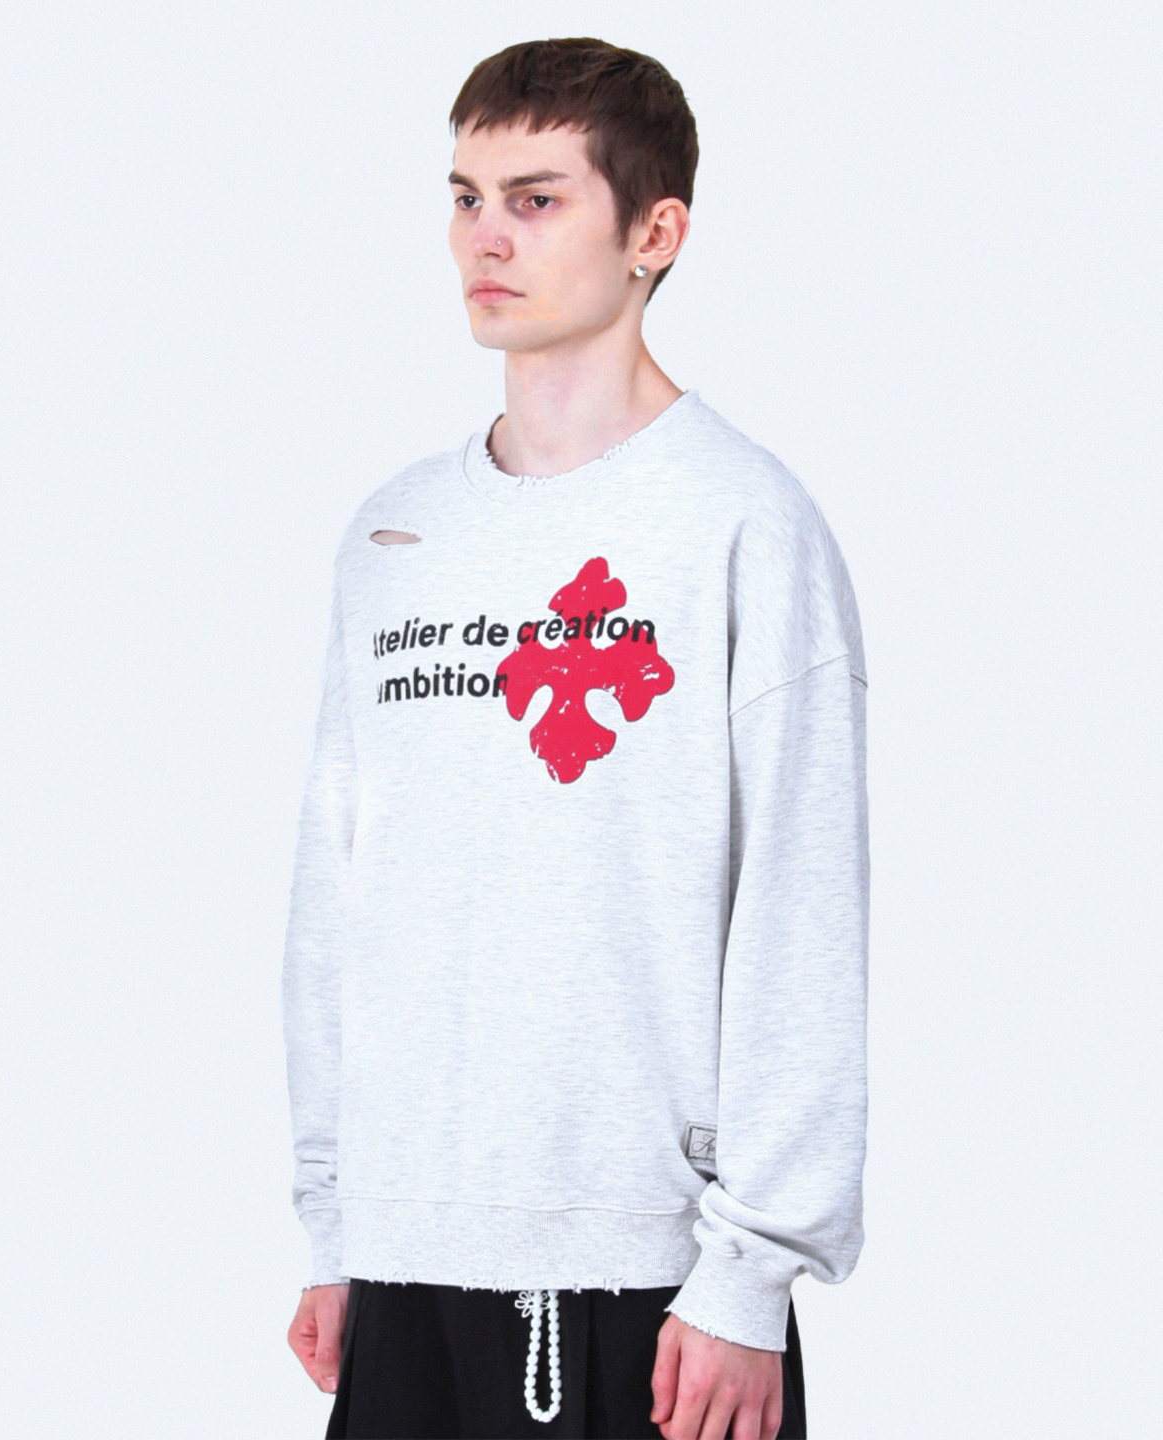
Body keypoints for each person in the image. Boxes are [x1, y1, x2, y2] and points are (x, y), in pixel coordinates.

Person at [282, 36, 868, 1440]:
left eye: (536, 200)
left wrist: (750, 1274)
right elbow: (338, 890)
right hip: (408, 1258)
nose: (484, 238)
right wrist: (339, 1220)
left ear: (655, 233)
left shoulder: (743, 523)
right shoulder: (394, 535)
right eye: (466, 197)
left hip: (648, 1279)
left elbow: (800, 906)